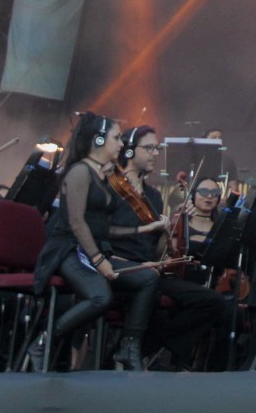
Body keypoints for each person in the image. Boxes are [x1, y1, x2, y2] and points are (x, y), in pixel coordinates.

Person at [30, 113, 162, 371]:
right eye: (115, 138)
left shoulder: (102, 176)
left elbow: (104, 228)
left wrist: (147, 227)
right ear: (98, 140)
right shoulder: (79, 172)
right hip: (68, 250)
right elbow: (77, 223)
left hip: (91, 248)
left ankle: (129, 345)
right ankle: (44, 340)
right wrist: (100, 261)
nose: (121, 144)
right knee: (101, 297)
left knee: (148, 277)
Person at [106, 126, 223, 370]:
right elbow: (101, 233)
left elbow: (158, 250)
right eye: (149, 148)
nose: (155, 153)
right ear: (128, 150)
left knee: (212, 301)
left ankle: (150, 346)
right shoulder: (110, 188)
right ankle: (147, 351)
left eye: (157, 148)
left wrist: (171, 228)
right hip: (118, 268)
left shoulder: (153, 196)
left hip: (150, 270)